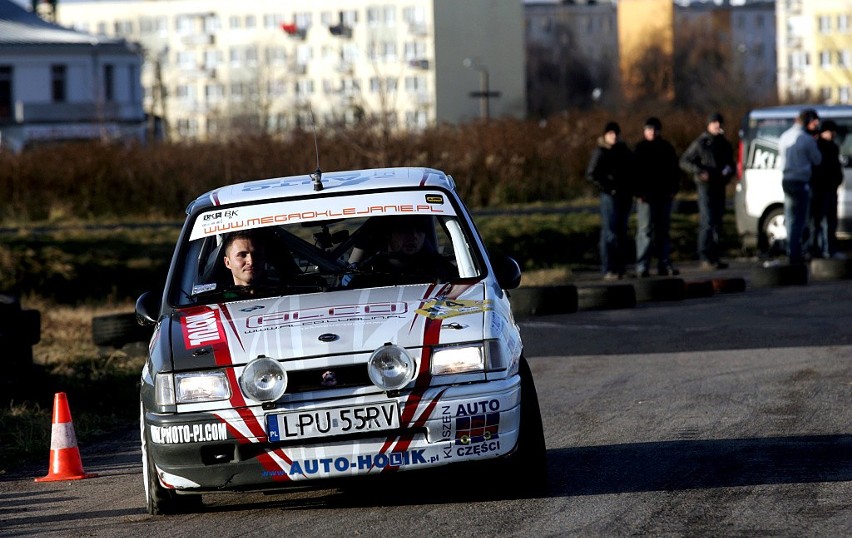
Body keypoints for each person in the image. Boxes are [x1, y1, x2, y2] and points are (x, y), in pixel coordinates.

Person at [680, 112, 736, 270]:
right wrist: (699, 171)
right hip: (705, 186)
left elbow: (730, 163)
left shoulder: (724, 143)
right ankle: (705, 256)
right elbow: (685, 161)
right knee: (707, 221)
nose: (718, 126)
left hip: (720, 185)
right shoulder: (701, 143)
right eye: (714, 123)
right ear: (709, 125)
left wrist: (728, 170)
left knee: (717, 221)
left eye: (719, 123)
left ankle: (715, 257)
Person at [633, 116, 681, 277]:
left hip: (664, 196)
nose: (652, 132)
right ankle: (642, 266)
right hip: (646, 198)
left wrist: (673, 190)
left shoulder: (666, 148)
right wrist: (638, 193)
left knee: (663, 231)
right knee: (645, 232)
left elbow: (675, 171)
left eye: (654, 129)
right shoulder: (640, 149)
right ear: (644, 131)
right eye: (649, 129)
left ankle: (664, 263)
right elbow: (633, 174)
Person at [586, 121, 634, 280]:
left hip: (624, 195)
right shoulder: (600, 151)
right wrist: (607, 187)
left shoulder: (623, 150)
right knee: (610, 233)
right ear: (605, 135)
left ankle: (621, 268)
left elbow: (632, 169)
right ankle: (609, 268)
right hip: (609, 196)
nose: (613, 136)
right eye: (610, 134)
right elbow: (592, 173)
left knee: (621, 232)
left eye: (615, 133)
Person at [777, 108, 821, 264]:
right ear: (808, 122)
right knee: (800, 219)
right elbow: (817, 160)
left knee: (789, 217)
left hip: (786, 179)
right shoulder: (806, 139)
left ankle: (791, 249)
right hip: (801, 180)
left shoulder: (784, 136)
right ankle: (795, 253)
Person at [358, 215, 457, 283]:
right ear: (389, 234)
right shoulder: (367, 273)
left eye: (419, 230)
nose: (413, 236)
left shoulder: (440, 270)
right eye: (405, 229)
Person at [808, 119, 843, 259]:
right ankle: (825, 249)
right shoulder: (821, 146)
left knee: (827, 221)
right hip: (823, 188)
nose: (833, 134)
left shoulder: (828, 146)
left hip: (827, 188)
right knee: (825, 221)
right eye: (831, 131)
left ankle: (825, 249)